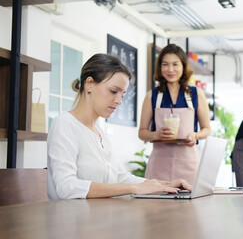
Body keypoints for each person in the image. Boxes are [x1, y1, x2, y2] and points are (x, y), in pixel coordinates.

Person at [47, 53, 191, 200]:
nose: (119, 101)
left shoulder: (100, 133)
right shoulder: (65, 124)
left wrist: (166, 184)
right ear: (89, 84)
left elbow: (121, 177)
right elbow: (66, 187)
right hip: (73, 220)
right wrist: (135, 188)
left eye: (122, 94)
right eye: (113, 91)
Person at [138, 44, 211, 184]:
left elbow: (206, 129)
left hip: (188, 164)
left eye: (175, 64)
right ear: (160, 67)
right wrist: (156, 135)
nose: (170, 69)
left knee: (189, 204)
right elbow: (142, 132)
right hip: (159, 166)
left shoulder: (196, 94)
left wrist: (195, 135)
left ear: (183, 66)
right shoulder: (151, 96)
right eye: (165, 64)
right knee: (156, 205)